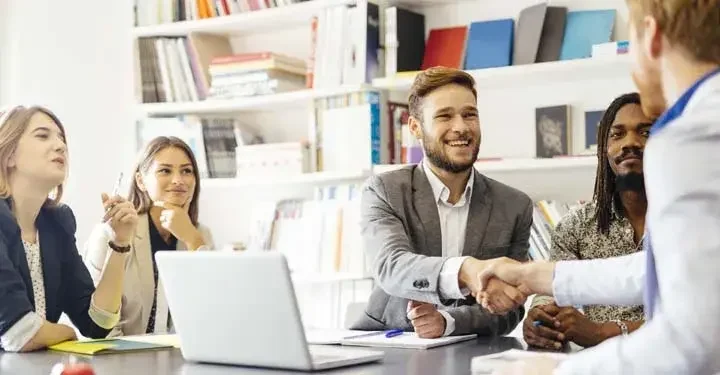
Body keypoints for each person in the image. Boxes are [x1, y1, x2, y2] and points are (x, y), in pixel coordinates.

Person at [478, 0, 720, 373]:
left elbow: (694, 340)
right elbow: (667, 269)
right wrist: (533, 276)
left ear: (650, 37)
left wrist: (553, 372)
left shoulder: (690, 138)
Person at [350, 67, 530, 338]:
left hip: (468, 351)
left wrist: (448, 322)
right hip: (387, 339)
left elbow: (510, 309)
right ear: (415, 127)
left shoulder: (515, 206)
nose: (461, 127)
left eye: (470, 114)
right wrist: (466, 269)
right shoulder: (384, 191)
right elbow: (392, 266)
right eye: (444, 116)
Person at [0, 105, 133, 352]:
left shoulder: (57, 224)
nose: (60, 146)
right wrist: (68, 333)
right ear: (9, 156)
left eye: (61, 139)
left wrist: (120, 242)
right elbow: (18, 333)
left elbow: (97, 324)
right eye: (43, 135)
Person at [525, 93, 651, 350]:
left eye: (645, 133)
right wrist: (541, 318)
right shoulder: (576, 226)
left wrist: (605, 331)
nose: (630, 142)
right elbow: (551, 290)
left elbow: (700, 315)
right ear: (605, 151)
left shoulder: (693, 220)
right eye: (617, 135)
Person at [82, 136, 214, 336]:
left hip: (181, 357)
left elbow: (213, 311)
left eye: (187, 171)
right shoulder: (111, 233)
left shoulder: (200, 234)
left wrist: (192, 240)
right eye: (165, 171)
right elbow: (96, 324)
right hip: (121, 359)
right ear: (141, 181)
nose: (178, 180)